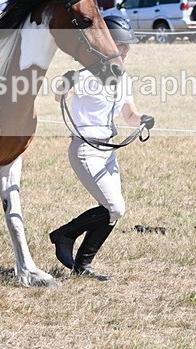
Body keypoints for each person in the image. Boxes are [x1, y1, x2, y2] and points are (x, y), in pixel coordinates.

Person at [49, 15, 154, 281]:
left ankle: (82, 265)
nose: (126, 50)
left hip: (108, 151)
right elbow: (58, 96)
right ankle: (64, 234)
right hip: (85, 149)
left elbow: (129, 114)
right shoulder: (86, 74)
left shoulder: (122, 78)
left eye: (127, 46)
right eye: (121, 45)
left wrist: (142, 120)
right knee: (115, 208)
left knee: (111, 211)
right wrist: (66, 81)